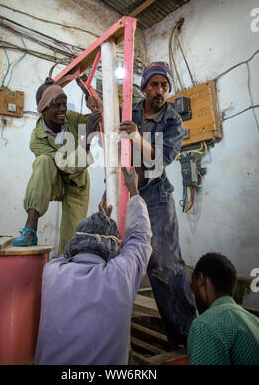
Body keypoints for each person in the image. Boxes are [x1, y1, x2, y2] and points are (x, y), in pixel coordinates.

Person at [35, 167, 152, 365]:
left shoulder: (52, 272)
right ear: (113, 248)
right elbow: (140, 238)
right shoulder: (119, 275)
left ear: (75, 241)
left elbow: (69, 251)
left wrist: (101, 224)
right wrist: (134, 190)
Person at [119, 62, 197, 347]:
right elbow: (106, 128)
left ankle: (185, 338)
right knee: (117, 259)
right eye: (154, 84)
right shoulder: (129, 110)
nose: (160, 90)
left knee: (165, 265)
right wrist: (97, 109)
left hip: (156, 196)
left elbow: (160, 159)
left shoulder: (173, 120)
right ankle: (114, 335)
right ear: (144, 87)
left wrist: (137, 136)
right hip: (125, 192)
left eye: (164, 86)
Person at [13, 77, 101, 256]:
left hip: (77, 186)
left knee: (71, 245)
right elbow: (65, 165)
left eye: (64, 103)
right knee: (43, 161)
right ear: (43, 109)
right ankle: (30, 229)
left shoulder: (71, 119)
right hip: (54, 182)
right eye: (57, 105)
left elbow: (98, 120)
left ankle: (65, 274)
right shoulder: (37, 139)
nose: (63, 109)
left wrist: (92, 99)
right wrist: (87, 141)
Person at [188, 252, 259, 365]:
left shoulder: (205, 325)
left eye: (192, 286)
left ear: (201, 280)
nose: (193, 294)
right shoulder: (255, 321)